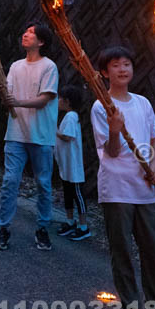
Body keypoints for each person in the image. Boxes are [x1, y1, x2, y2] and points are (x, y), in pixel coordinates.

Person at [91, 45, 155, 309]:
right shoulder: (101, 107)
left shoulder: (142, 103)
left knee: (153, 251)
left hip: (145, 188)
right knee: (123, 251)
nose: (122, 69)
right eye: (115, 65)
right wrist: (115, 129)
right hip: (116, 188)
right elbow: (112, 152)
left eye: (127, 64)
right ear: (104, 72)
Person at [0, 22, 59, 252]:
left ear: (41, 42)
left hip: (42, 135)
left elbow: (44, 99)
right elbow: (8, 96)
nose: (25, 34)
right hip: (15, 133)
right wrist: (2, 93)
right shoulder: (15, 66)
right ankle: (3, 228)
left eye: (31, 33)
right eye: (26, 31)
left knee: (43, 184)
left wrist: (17, 102)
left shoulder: (49, 67)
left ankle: (42, 227)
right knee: (10, 181)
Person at [56, 84, 89, 240]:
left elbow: (67, 136)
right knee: (68, 194)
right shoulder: (70, 116)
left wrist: (54, 130)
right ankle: (70, 222)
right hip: (66, 165)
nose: (58, 101)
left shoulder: (71, 116)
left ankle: (83, 226)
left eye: (60, 98)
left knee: (77, 196)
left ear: (67, 101)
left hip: (73, 166)